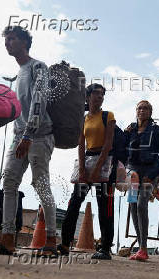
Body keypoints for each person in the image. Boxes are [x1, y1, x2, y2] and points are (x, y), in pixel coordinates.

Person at [0, 26, 56, 255]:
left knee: (41, 185)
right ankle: (7, 239)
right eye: (6, 40)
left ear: (24, 42)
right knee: (9, 184)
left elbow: (39, 100)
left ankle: (51, 242)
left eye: (12, 39)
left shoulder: (38, 67)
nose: (8, 43)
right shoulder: (18, 73)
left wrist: (28, 135)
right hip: (19, 136)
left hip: (39, 136)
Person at [58, 83, 116, 260]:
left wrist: (97, 168)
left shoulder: (108, 116)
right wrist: (82, 169)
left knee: (104, 204)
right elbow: (81, 144)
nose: (100, 97)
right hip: (87, 160)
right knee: (74, 202)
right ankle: (65, 244)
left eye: (102, 94)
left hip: (105, 161)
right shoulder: (83, 118)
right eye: (96, 94)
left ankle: (105, 247)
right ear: (87, 97)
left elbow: (108, 143)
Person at [124, 100, 159, 261]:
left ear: (150, 112)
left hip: (149, 171)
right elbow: (123, 147)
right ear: (136, 111)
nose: (142, 110)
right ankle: (141, 248)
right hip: (133, 171)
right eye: (140, 108)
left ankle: (143, 248)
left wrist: (153, 172)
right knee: (133, 205)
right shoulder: (131, 128)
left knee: (142, 204)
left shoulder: (156, 131)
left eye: (146, 108)